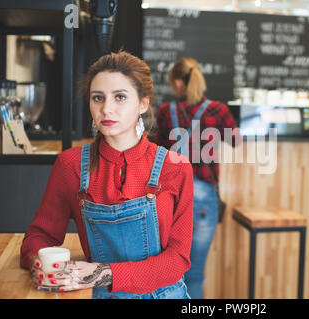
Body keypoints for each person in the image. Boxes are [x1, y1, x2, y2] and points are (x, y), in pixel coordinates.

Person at [20, 51, 194, 299]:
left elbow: (177, 260)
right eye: (97, 98)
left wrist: (103, 272)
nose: (106, 109)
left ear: (143, 103)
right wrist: (38, 262)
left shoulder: (176, 167)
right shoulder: (69, 165)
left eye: (120, 97)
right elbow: (40, 236)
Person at [156, 57, 241, 298]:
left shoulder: (165, 112)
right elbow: (236, 141)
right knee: (194, 274)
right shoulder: (218, 110)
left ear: (178, 84)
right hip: (204, 197)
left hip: (169, 199)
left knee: (172, 273)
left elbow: (155, 151)